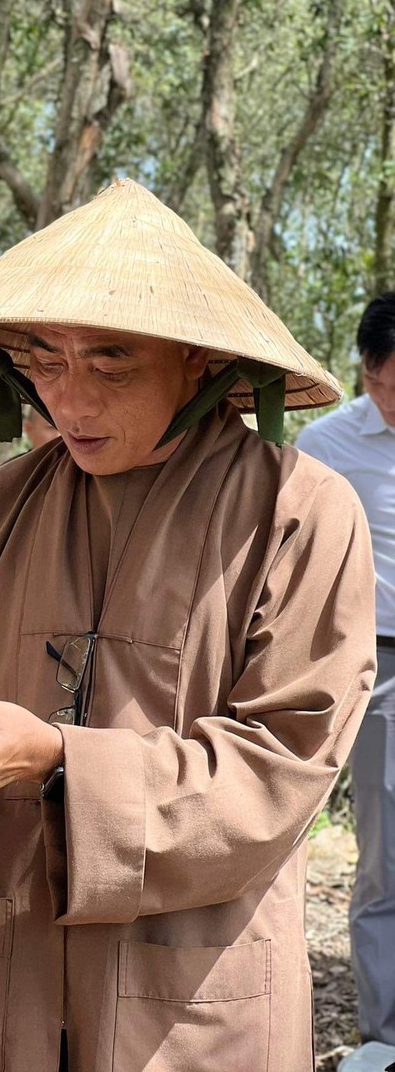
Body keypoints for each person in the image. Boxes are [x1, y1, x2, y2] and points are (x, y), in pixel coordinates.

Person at [0, 179, 378, 1072]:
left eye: (111, 363)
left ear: (198, 359)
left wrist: (61, 762)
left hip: (188, 1002)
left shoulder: (298, 513)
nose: (68, 400)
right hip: (1, 993)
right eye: (42, 362)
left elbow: (282, 763)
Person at [296, 294, 395, 1071]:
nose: (392, 398)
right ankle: (383, 1033)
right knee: (383, 850)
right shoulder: (325, 443)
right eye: (380, 379)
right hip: (380, 659)